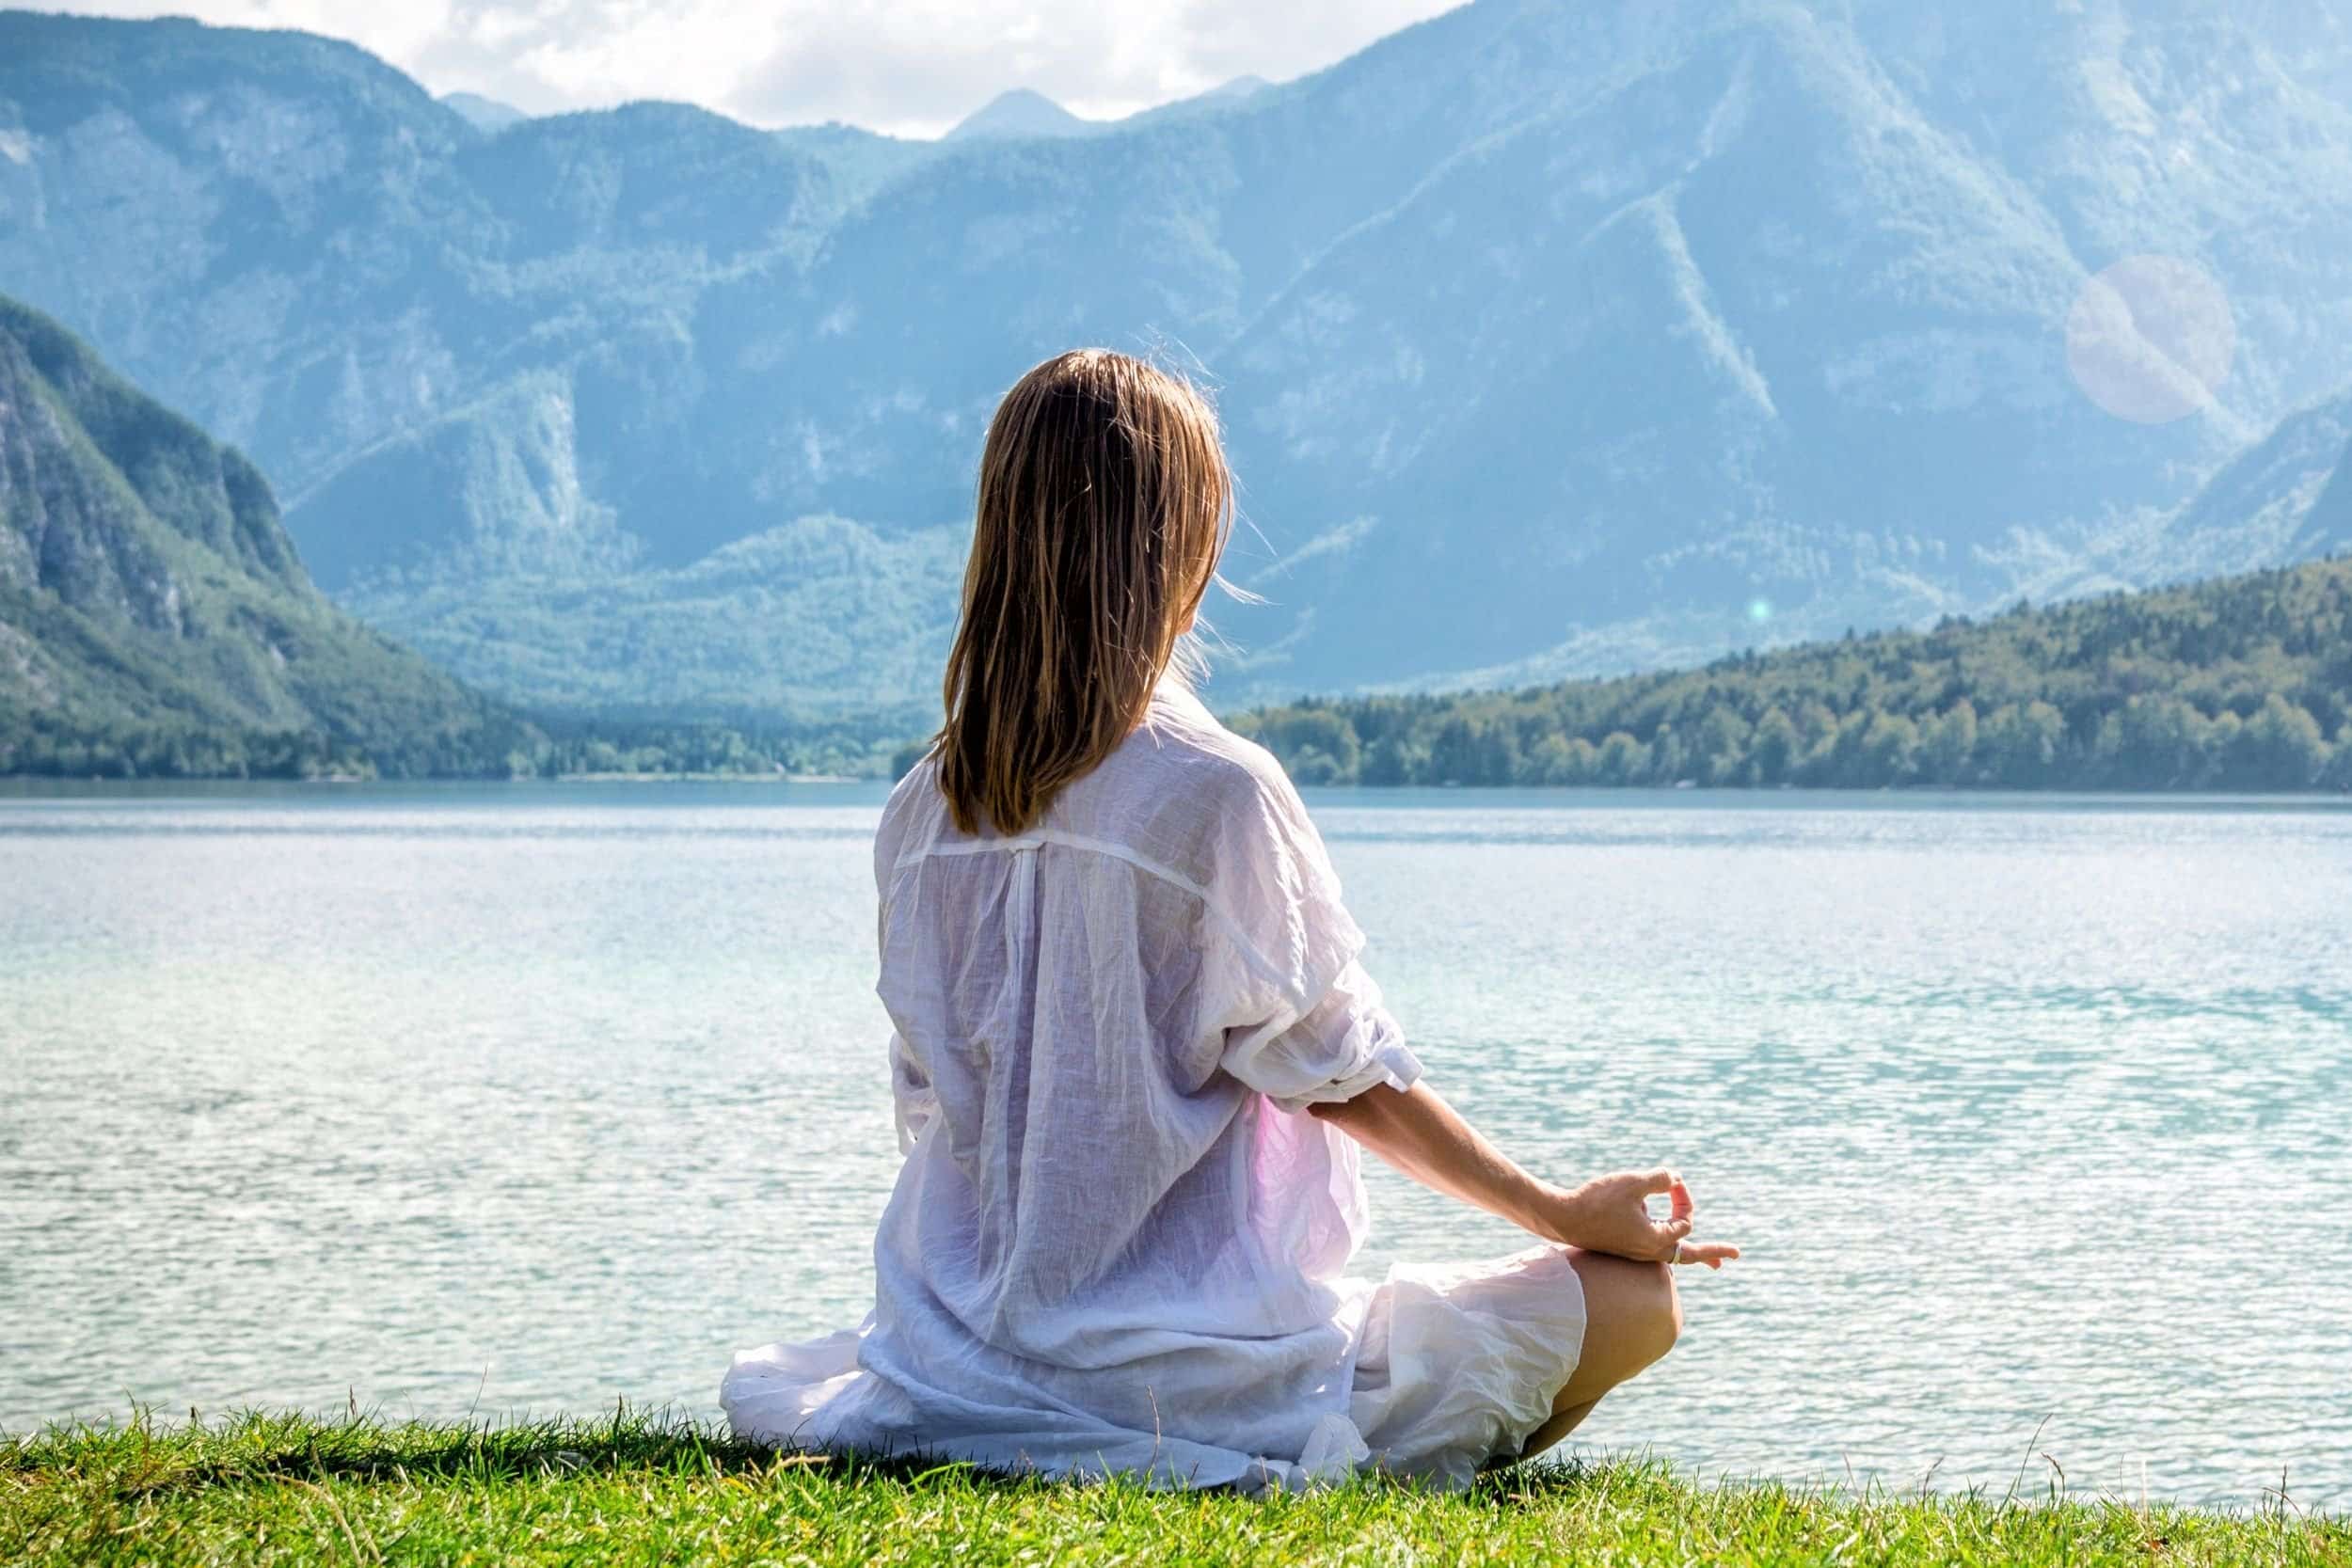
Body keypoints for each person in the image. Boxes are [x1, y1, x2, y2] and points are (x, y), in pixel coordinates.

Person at [723, 348, 1739, 1491]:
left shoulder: (922, 806)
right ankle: (1363, 1468)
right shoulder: (1214, 789)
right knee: (1636, 1302)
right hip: (1181, 1375)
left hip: (948, 1354)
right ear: (1182, 546)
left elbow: (930, 1105)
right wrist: (1558, 1206)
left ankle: (1296, 1437)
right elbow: (1347, 1075)